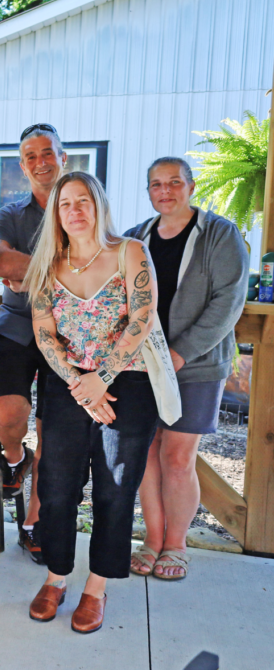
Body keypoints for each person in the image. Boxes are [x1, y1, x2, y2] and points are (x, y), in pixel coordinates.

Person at [26, 172, 159, 634]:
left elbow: (142, 317)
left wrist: (102, 379)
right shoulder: (47, 263)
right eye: (65, 204)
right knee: (57, 487)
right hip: (68, 387)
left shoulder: (130, 253)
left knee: (114, 491)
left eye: (83, 201)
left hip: (129, 385)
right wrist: (81, 385)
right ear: (56, 213)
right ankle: (56, 577)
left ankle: (96, 588)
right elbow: (45, 334)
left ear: (99, 205)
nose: (75, 210)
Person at [126, 157, 248, 580]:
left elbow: (228, 302)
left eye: (174, 182)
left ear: (191, 186)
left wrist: (180, 353)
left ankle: (176, 544)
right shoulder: (134, 238)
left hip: (196, 365)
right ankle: (152, 539)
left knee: (178, 456)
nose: (166, 191)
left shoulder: (220, 234)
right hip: (142, 365)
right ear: (148, 192)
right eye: (156, 184)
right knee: (145, 453)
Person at [0, 123, 68, 563]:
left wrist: (29, 271)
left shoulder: (81, 206)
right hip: (17, 325)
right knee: (8, 414)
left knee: (54, 431)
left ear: (63, 157)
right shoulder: (9, 214)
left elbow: (19, 270)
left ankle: (35, 521)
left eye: (48, 153)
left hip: (70, 331)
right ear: (22, 165)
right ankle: (16, 458)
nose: (41, 162)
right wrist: (66, 269)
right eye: (31, 156)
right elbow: (1, 261)